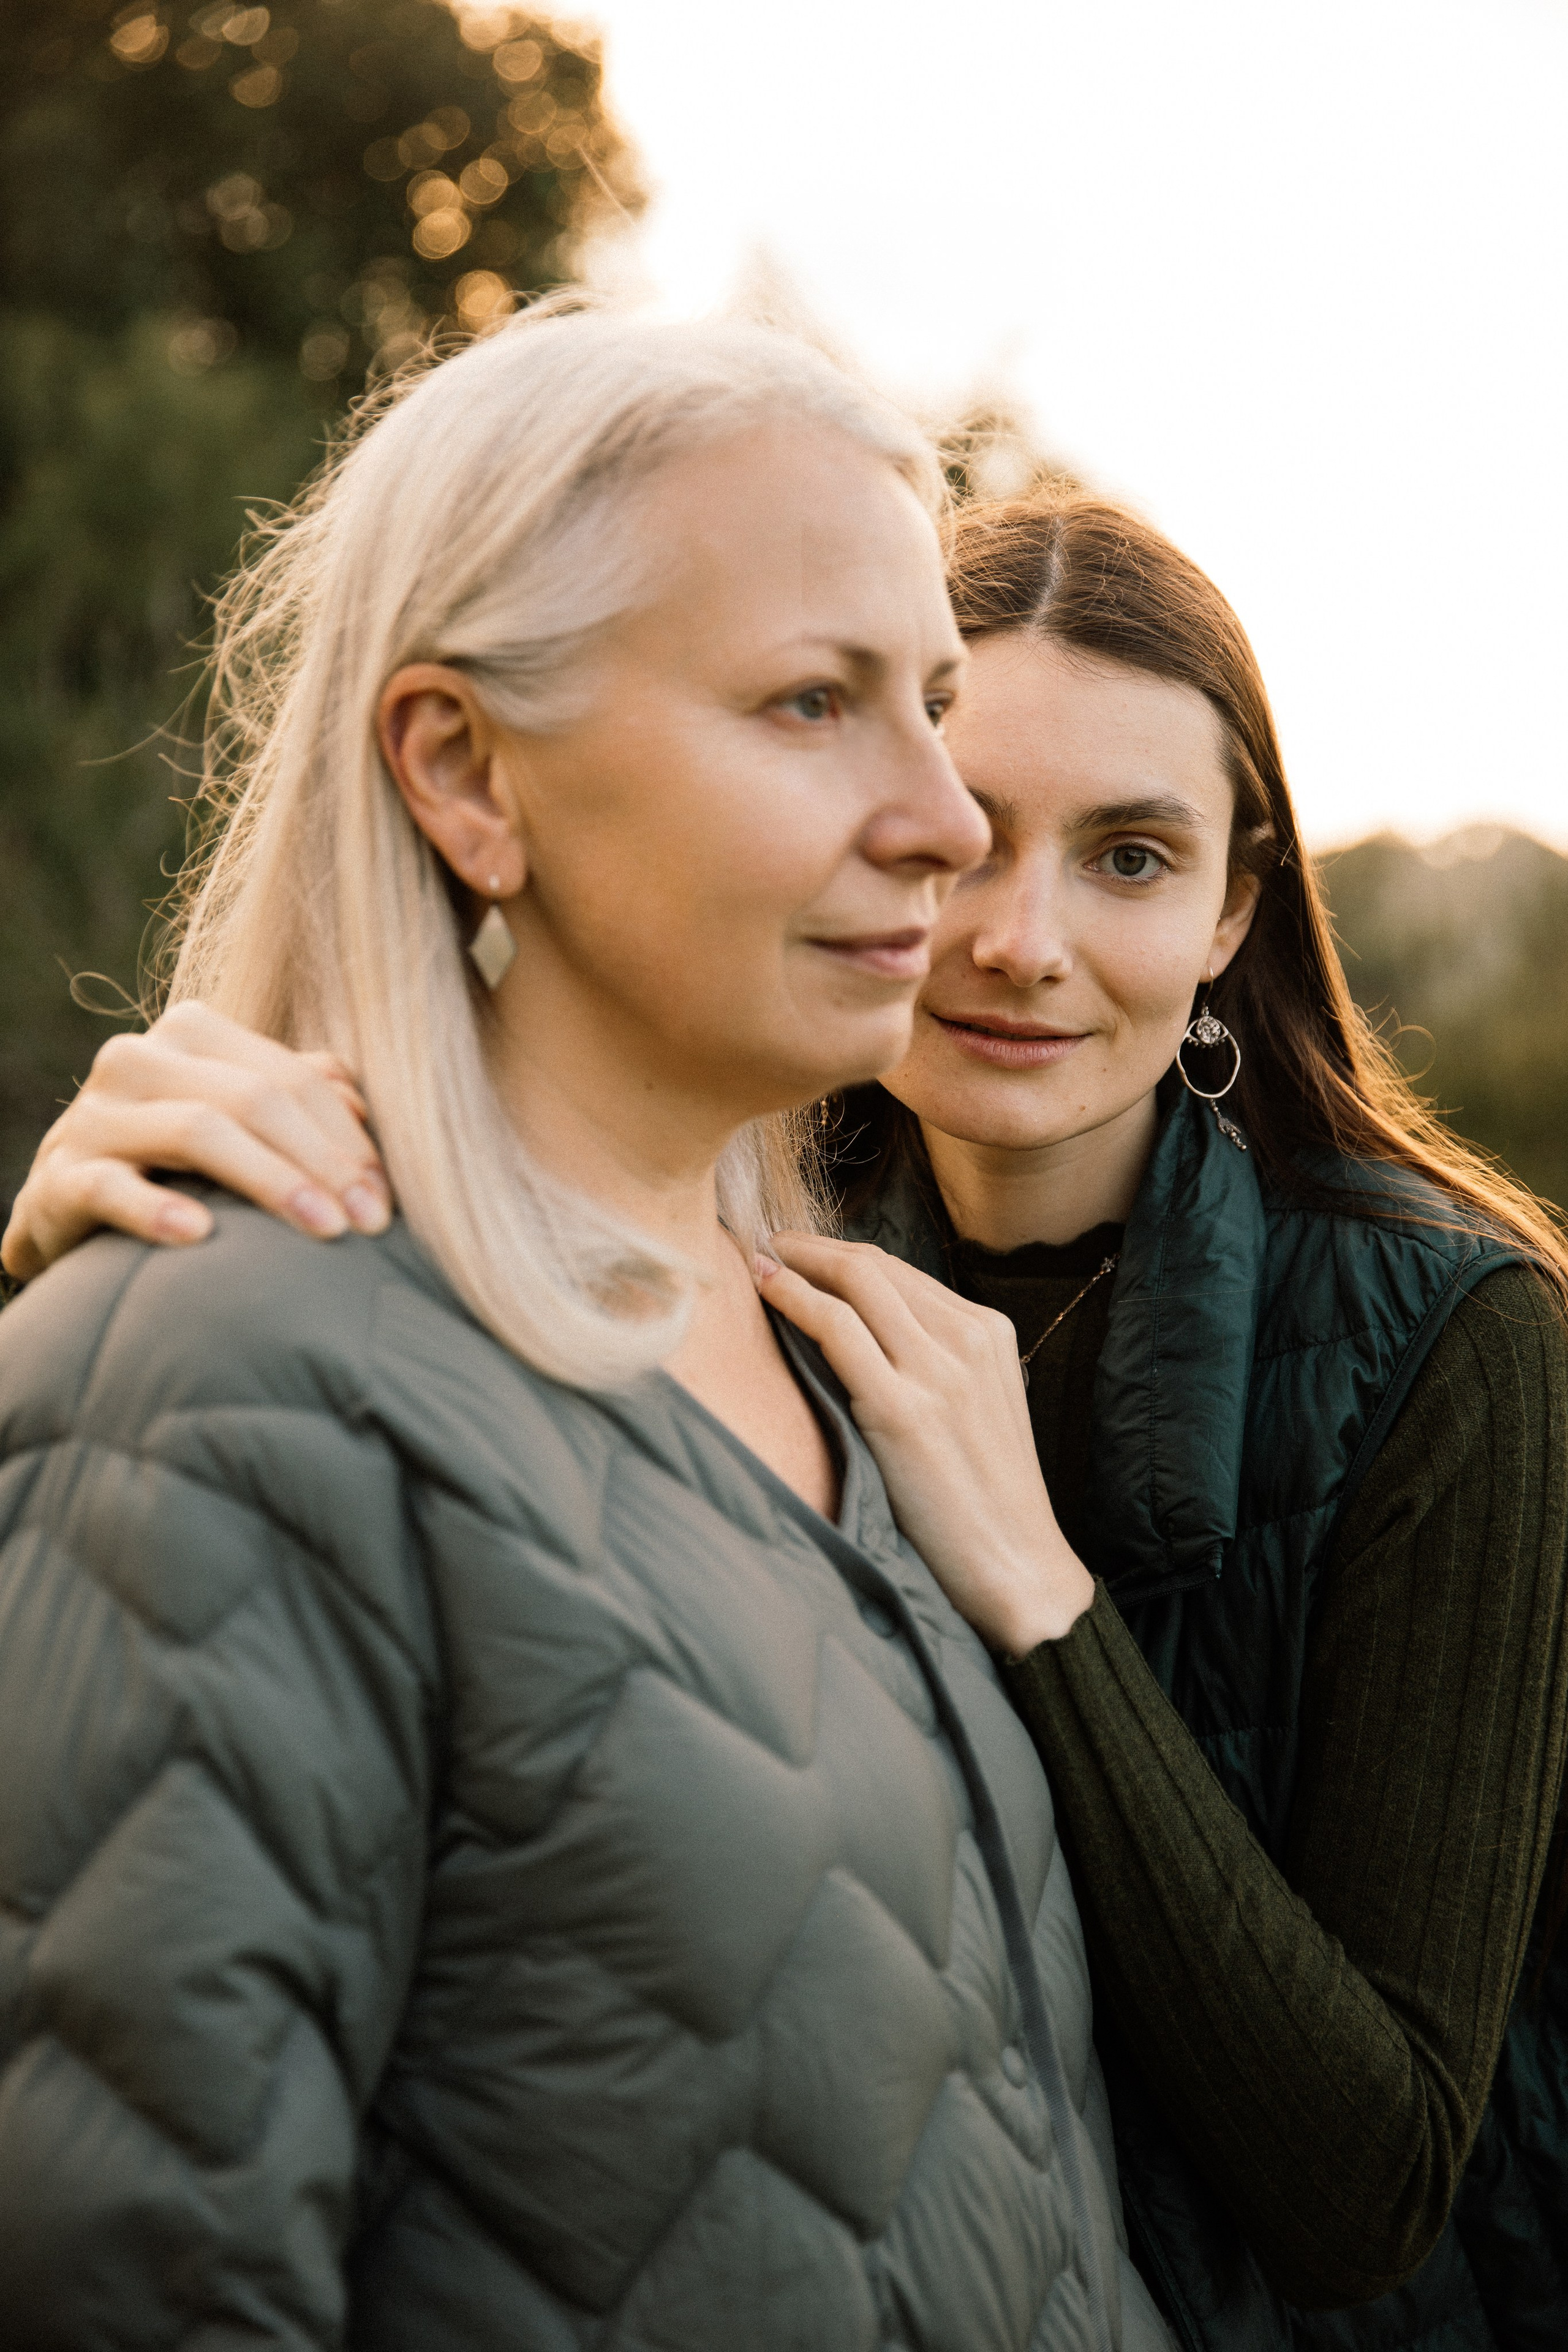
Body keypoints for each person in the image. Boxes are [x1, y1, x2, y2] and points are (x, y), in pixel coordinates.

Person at [21, 485, 1566, 2352]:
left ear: (1238, 909)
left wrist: (1041, 1601)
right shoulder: (724, 1229)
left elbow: (1370, 2188)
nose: (1015, 936)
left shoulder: (1455, 1341)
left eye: (1134, 860)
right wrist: (145, 1197)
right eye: (974, 832)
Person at [0, 312, 1173, 2352]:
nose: (950, 820)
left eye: (937, 705)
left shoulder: (847, 1339)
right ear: (463, 770)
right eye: (814, 703)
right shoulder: (210, 1379)